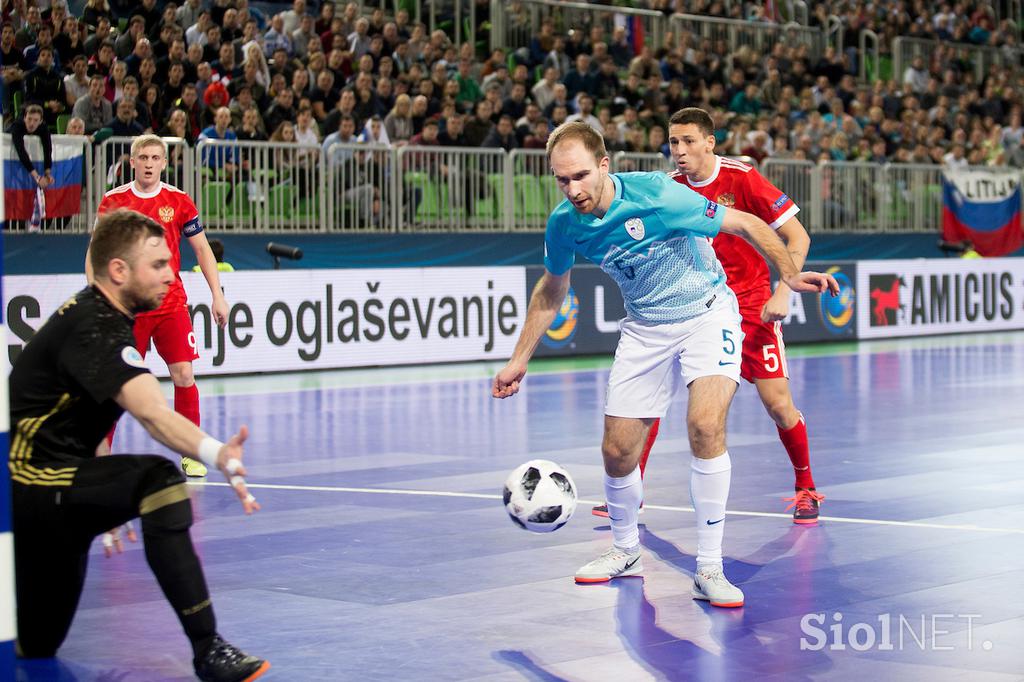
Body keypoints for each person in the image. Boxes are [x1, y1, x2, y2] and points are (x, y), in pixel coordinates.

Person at [492, 122, 837, 606]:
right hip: (644, 327)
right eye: (561, 180)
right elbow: (552, 288)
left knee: (704, 426)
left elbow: (746, 224)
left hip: (706, 313)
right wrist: (519, 359)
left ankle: (710, 568)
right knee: (616, 451)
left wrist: (789, 276)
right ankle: (625, 551)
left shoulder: (658, 195)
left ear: (605, 166)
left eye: (581, 176)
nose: (573, 189)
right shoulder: (564, 223)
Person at [11, 208, 268, 681]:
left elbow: (74, 414)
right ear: (118, 271)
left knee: (38, 644)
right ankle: (207, 649)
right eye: (159, 266)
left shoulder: (105, 316)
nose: (172, 275)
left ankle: (207, 647)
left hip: (66, 485)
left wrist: (97, 493)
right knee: (160, 479)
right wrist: (218, 454)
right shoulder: (95, 326)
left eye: (172, 263)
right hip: (36, 488)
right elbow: (151, 413)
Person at [604, 108, 826, 523]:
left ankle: (806, 487)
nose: (680, 151)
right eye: (673, 142)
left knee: (779, 406)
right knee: (651, 401)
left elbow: (797, 235)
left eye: (689, 141)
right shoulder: (668, 187)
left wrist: (783, 290)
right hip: (696, 309)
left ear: (710, 142)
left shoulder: (741, 178)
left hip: (751, 306)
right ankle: (633, 492)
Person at [86, 134, 230, 478]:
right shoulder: (114, 200)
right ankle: (100, 453)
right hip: (128, 307)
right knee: (118, 381)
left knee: (183, 374)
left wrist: (218, 294)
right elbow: (95, 252)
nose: (149, 164)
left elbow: (202, 250)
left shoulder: (178, 200)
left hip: (170, 303)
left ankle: (191, 451)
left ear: (164, 163)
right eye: (143, 158)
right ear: (132, 162)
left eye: (155, 158)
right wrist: (97, 298)